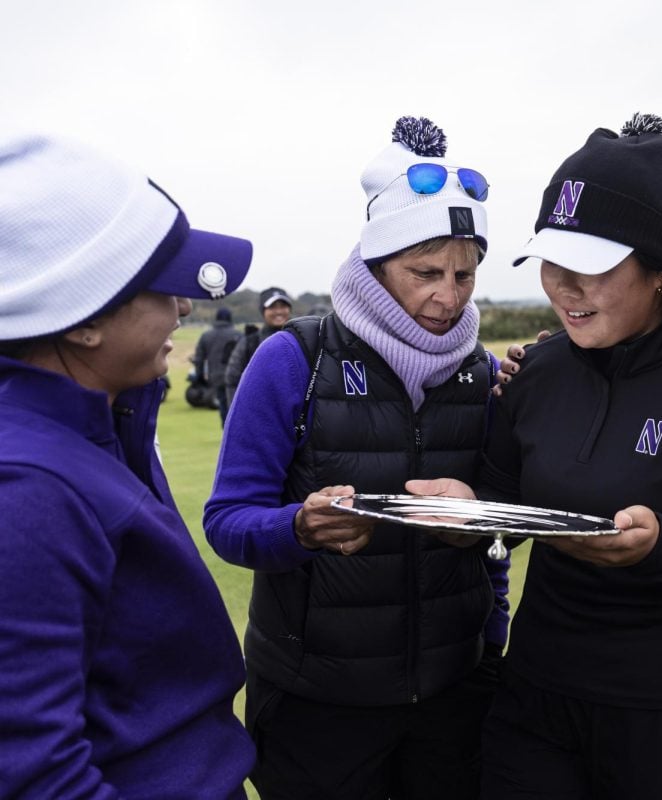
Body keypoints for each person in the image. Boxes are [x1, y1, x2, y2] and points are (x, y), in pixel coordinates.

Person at [413, 112, 662, 800]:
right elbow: (504, 512)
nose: (564, 285)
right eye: (553, 262)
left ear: (655, 271)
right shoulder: (536, 373)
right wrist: (468, 513)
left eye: (590, 266)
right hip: (539, 702)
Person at [203, 115, 508, 800]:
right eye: (425, 271)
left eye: (465, 273)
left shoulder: (483, 373)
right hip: (317, 703)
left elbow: (496, 532)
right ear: (375, 263)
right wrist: (299, 529)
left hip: (454, 696)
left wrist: (492, 638)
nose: (449, 295)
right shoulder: (293, 358)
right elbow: (227, 520)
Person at [0, 134, 255, 797]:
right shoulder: (29, 491)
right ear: (83, 322)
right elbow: (33, 774)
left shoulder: (102, 423)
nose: (184, 306)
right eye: (161, 286)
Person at [224, 285, 292, 404]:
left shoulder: (300, 339)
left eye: (283, 306)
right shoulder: (250, 341)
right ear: (263, 311)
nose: (279, 311)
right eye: (272, 307)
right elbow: (232, 378)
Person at [193, 305, 241, 423]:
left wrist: (199, 377)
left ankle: (226, 434)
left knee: (223, 407)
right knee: (236, 408)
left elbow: (199, 359)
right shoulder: (238, 334)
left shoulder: (206, 335)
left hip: (216, 377)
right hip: (236, 378)